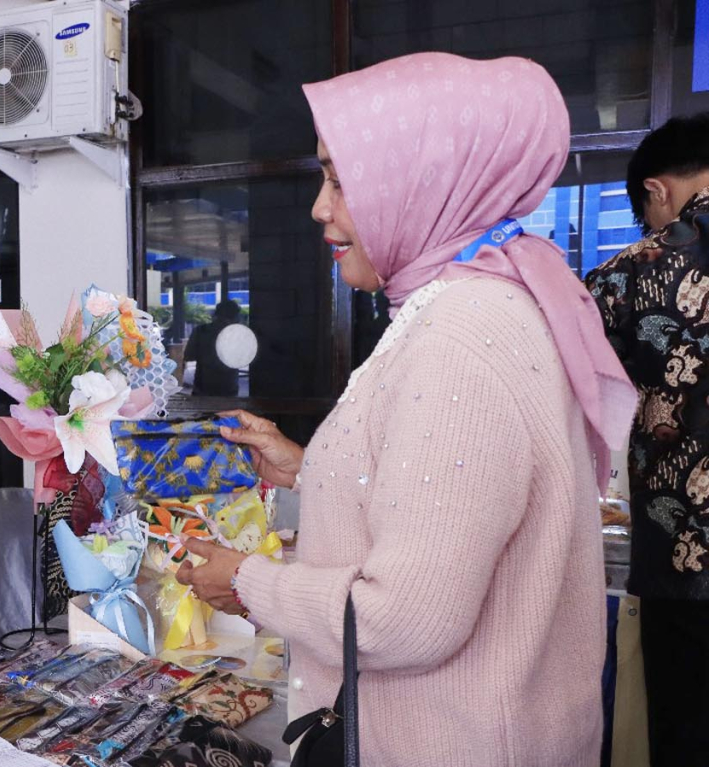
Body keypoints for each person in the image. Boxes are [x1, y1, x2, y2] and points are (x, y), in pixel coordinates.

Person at [175, 52, 637, 765]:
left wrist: (245, 581)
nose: (318, 207)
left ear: (422, 180)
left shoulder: (462, 335)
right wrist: (307, 468)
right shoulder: (471, 300)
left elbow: (407, 619)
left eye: (339, 178)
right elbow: (450, 494)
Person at [585, 111, 709, 766]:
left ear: (657, 191)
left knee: (685, 738)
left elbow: (558, 383)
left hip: (684, 571)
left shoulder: (634, 272)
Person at [180, 299, 242, 397]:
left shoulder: (201, 331)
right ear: (235, 315)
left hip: (203, 385)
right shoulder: (237, 334)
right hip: (228, 386)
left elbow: (189, 356)